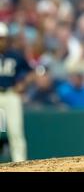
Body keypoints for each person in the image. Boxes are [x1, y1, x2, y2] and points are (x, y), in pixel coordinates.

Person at [0, 22, 33, 162]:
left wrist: (22, 84)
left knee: (15, 132)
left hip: (10, 94)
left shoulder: (14, 55)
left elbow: (31, 72)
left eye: (3, 38)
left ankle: (20, 165)